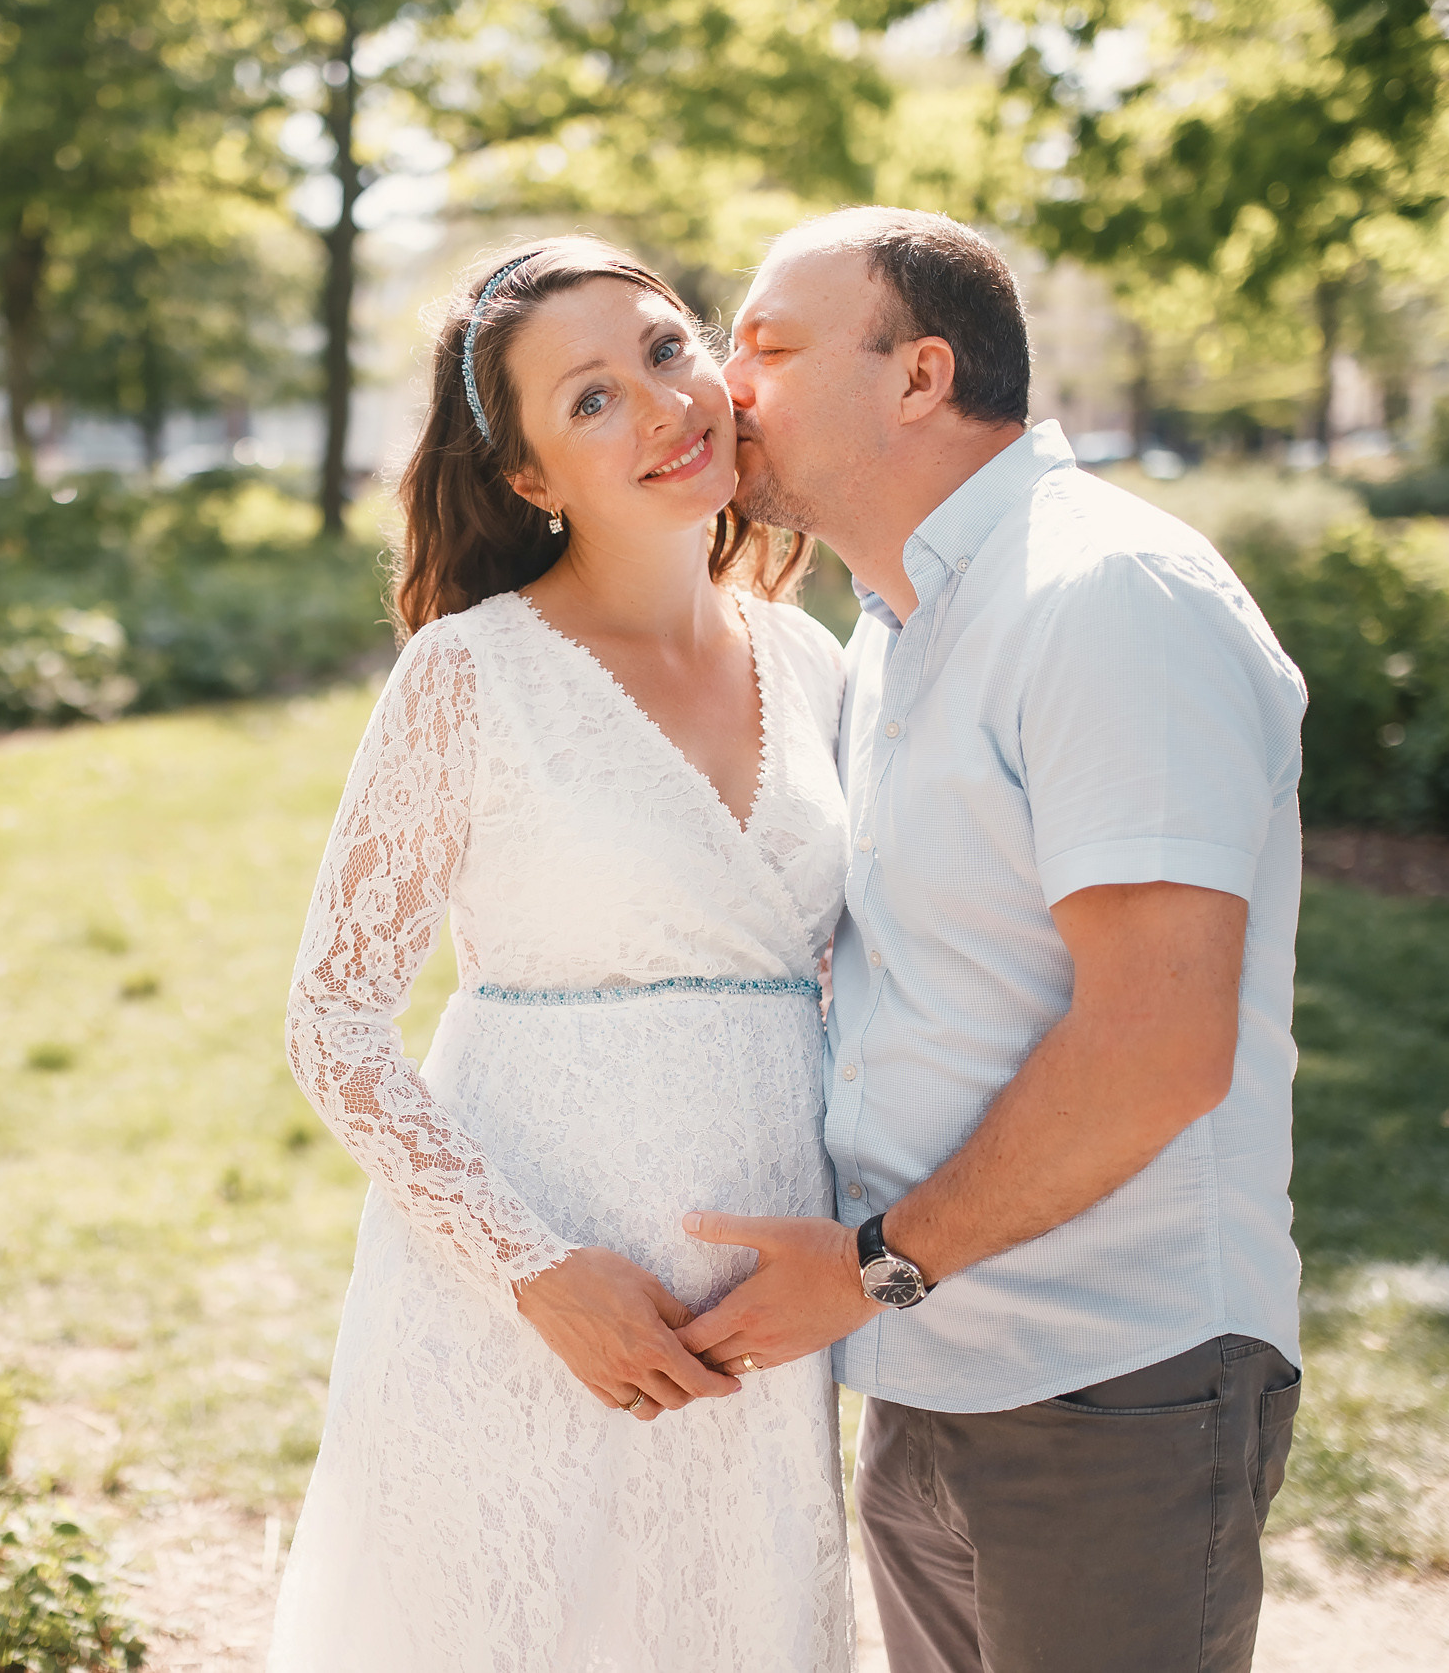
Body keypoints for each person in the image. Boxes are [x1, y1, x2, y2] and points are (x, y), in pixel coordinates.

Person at [677, 206, 1310, 1672]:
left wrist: (878, 1265)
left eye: (764, 347)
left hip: (1112, 1380)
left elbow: (1155, 1047)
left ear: (919, 377)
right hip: (924, 1368)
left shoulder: (1105, 597)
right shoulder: (900, 625)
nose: (722, 388)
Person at [270, 236, 856, 1669]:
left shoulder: (819, 667)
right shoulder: (471, 672)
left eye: (667, 351)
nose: (663, 408)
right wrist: (533, 1270)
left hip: (763, 1326)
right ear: (528, 476)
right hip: (523, 1305)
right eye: (590, 399)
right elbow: (335, 1025)